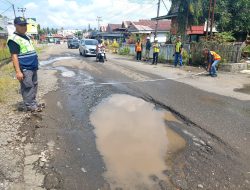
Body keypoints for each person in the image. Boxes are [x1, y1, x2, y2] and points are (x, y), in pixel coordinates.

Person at [7, 17, 43, 112]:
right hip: (25, 68)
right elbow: (14, 56)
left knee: (34, 85)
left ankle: (33, 103)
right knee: (28, 86)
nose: (24, 27)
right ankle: (29, 105)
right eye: (21, 25)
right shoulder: (13, 39)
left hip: (33, 66)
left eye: (25, 25)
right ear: (15, 25)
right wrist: (18, 71)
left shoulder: (26, 36)